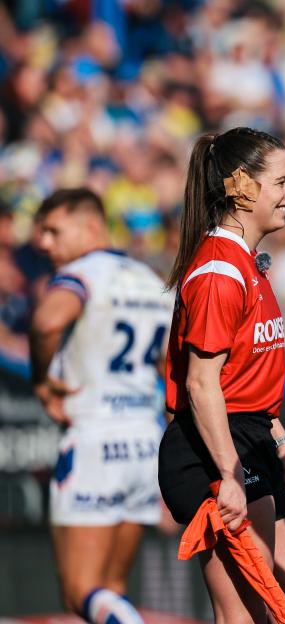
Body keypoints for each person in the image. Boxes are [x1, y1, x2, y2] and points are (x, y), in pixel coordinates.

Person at [157, 127, 285, 622]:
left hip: (252, 440)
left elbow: (246, 381)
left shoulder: (248, 266)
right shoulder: (217, 273)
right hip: (216, 451)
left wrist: (282, 442)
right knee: (246, 616)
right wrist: (228, 473)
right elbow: (201, 385)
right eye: (281, 182)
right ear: (243, 187)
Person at [28, 188, 173, 623]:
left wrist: (42, 382)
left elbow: (47, 320)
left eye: (54, 231)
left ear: (92, 225)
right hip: (145, 443)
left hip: (94, 438)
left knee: (79, 592)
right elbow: (171, 371)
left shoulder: (83, 274)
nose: (45, 244)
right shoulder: (152, 280)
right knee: (112, 590)